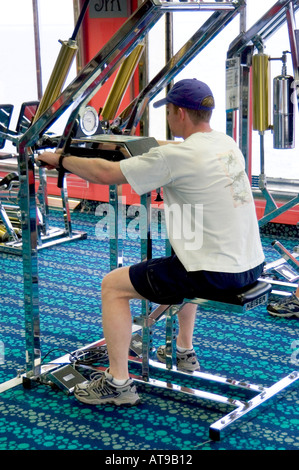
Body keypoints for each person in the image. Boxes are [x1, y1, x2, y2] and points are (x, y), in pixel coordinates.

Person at [38, 78, 265, 406]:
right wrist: (123, 139)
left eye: (169, 111)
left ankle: (118, 384)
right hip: (249, 263)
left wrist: (59, 159)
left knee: (113, 286)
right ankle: (184, 350)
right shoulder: (224, 143)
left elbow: (105, 173)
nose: (169, 117)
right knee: (181, 254)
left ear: (180, 113)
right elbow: (168, 147)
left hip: (215, 273)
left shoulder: (179, 157)